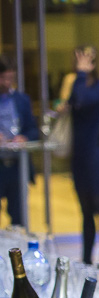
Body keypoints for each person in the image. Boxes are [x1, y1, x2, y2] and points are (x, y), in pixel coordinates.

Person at [60, 47, 99, 264]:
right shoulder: (76, 83)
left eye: (86, 59)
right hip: (79, 157)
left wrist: (80, 75)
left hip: (97, 156)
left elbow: (82, 99)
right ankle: (86, 261)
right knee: (86, 212)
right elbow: (68, 103)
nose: (81, 63)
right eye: (78, 59)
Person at [0, 55, 39, 227]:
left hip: (17, 165)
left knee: (19, 216)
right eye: (3, 78)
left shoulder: (22, 100)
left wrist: (24, 138)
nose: (7, 83)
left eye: (10, 78)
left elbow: (33, 129)